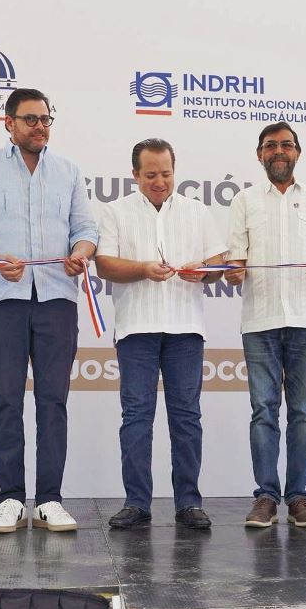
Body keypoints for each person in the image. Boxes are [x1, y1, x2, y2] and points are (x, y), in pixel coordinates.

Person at [0, 88, 98, 533]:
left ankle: (50, 500)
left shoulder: (68, 171)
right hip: (3, 302)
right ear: (9, 123)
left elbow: (86, 229)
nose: (40, 127)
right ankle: (11, 499)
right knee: (6, 401)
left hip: (57, 300)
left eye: (45, 119)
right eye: (30, 119)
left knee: (53, 402)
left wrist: (80, 253)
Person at [96, 138, 226, 530]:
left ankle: (189, 502)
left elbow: (218, 264)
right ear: (135, 174)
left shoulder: (197, 211)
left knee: (186, 416)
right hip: (136, 329)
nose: (159, 181)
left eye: (166, 174)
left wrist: (203, 271)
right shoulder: (115, 212)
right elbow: (104, 265)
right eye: (150, 174)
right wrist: (143, 269)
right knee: (137, 416)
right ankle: (137, 503)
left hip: (185, 329)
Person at [224, 122, 306, 528]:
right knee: (263, 411)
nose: (279, 151)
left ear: (298, 152)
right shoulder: (243, 201)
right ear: (260, 154)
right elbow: (235, 259)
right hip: (260, 320)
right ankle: (265, 496)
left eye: (287, 145)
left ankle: (298, 498)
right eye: (271, 145)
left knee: (304, 413)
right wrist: (234, 271)